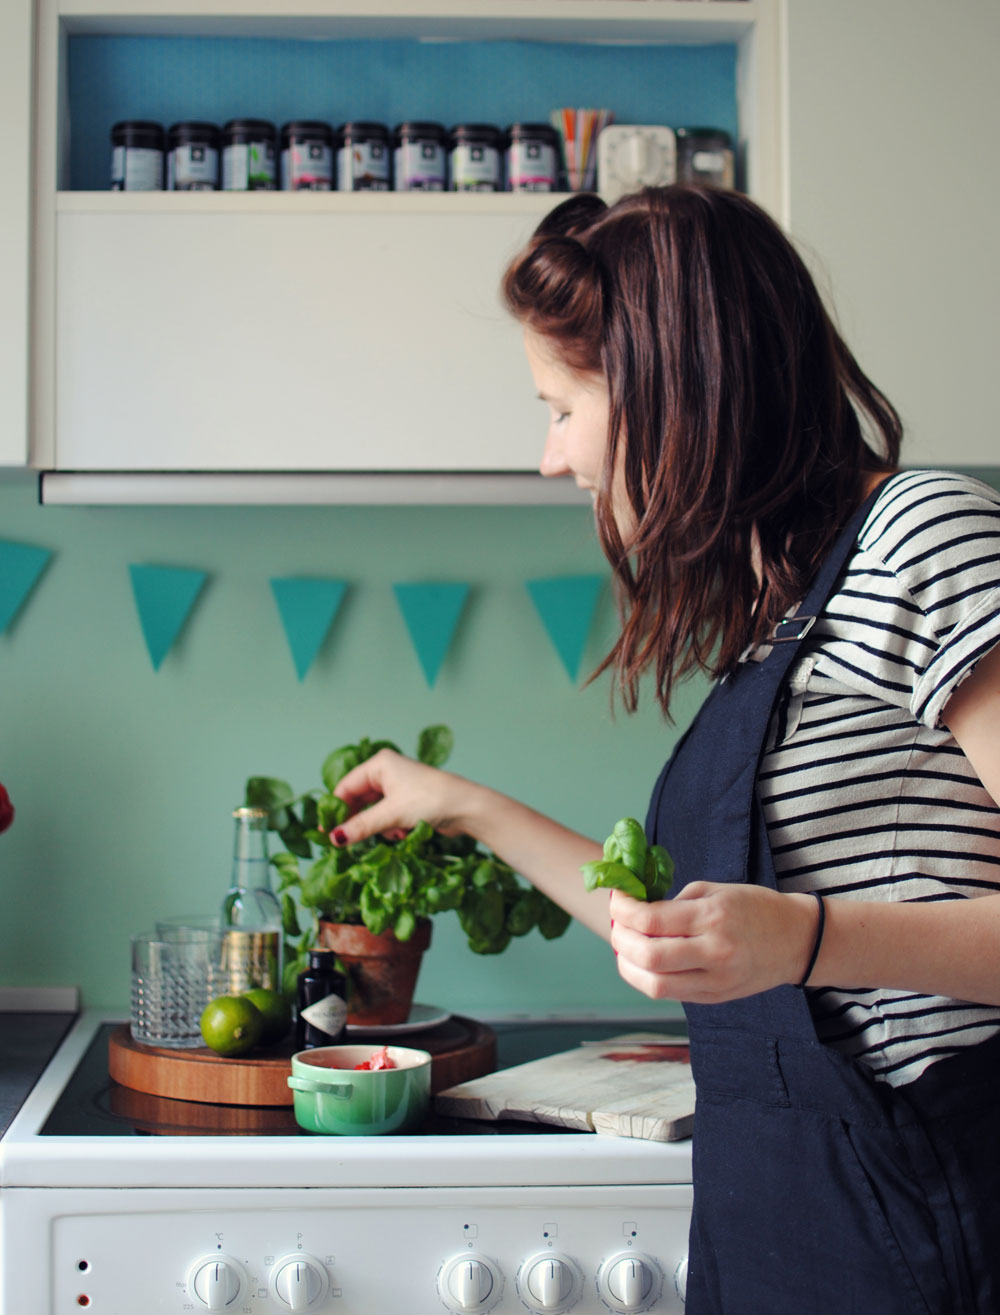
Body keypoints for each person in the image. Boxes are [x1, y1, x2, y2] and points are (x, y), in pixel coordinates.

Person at [331, 185, 1000, 1313]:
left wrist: (807, 936)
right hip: (777, 1220)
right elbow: (693, 936)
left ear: (663, 393)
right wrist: (466, 806)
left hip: (928, 1213)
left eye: (558, 407)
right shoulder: (781, 604)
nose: (550, 458)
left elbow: (783, 943)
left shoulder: (924, 535)